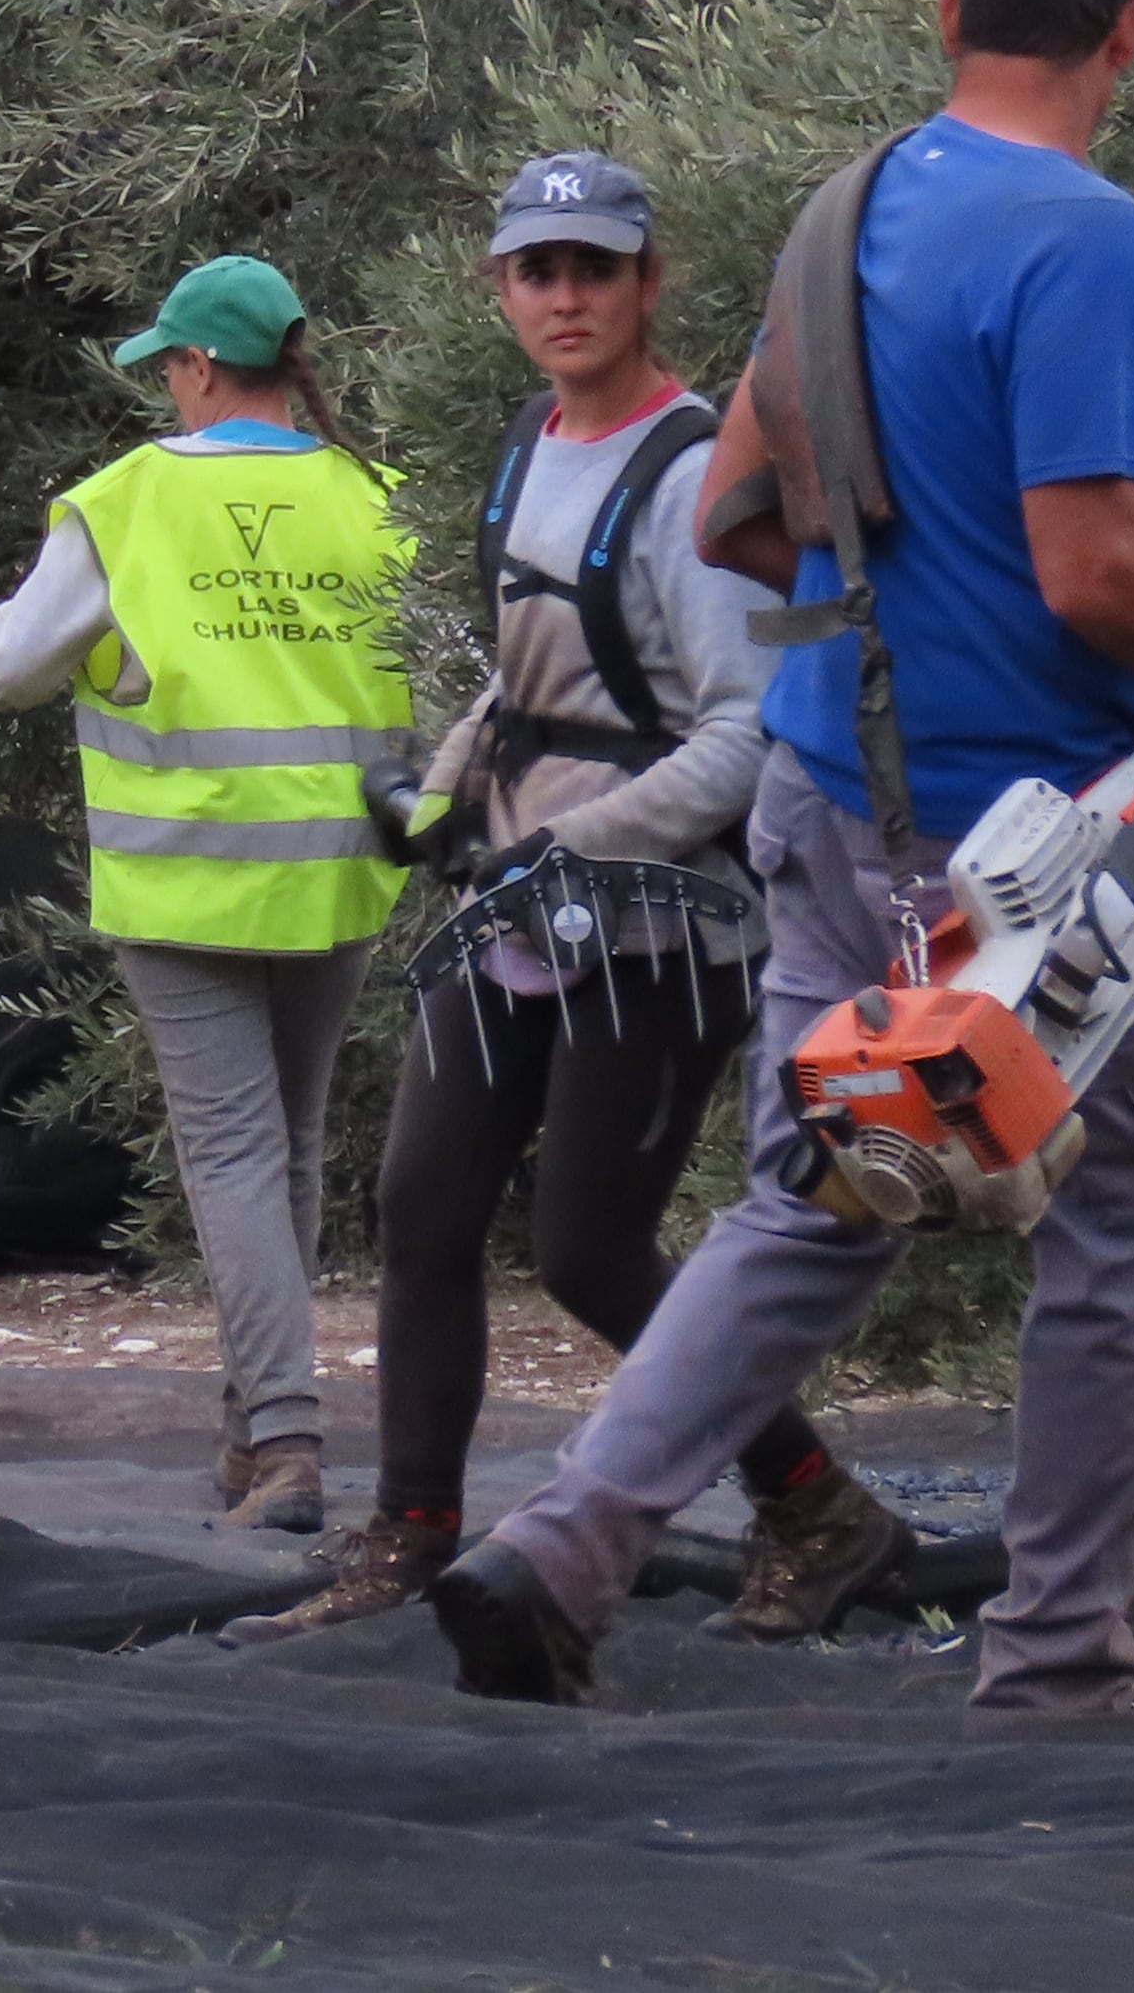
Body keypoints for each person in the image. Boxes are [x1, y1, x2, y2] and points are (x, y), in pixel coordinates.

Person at [436, 0, 1134, 1710]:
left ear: (947, 19)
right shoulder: (1085, 239)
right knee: (1125, 1206)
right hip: (1036, 847)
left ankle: (562, 1545)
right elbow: (1098, 570)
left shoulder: (837, 215)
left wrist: (897, 597)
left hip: (823, 794)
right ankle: (1061, 1658)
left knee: (809, 1196)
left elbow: (735, 516)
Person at [234, 153, 884, 1643]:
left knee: (588, 1250)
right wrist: (446, 793)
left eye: (596, 266)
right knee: (422, 1205)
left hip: (667, 923)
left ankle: (821, 1509)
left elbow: (745, 726)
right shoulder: (535, 437)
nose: (567, 295)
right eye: (539, 269)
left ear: (650, 280)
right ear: (502, 289)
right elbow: (527, 670)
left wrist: (577, 845)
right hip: (516, 897)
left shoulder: (692, 470)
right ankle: (406, 1539)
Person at [0, 252, 411, 1536]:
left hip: (183, 883)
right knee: (287, 1145)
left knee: (226, 1150)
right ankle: (246, 1433)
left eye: (167, 364)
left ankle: (282, 1439)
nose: (165, 385)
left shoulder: (123, 503)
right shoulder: (373, 497)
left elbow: (2, 675)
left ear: (202, 368)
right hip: (334, 875)